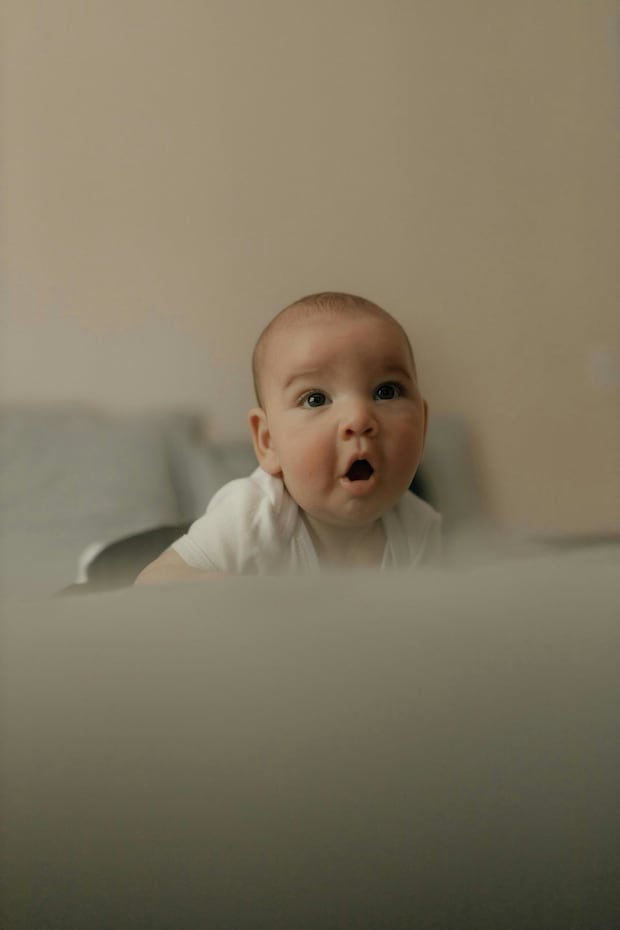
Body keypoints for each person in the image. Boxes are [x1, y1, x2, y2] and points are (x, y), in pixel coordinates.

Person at [135, 292, 441, 584]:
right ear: (268, 441)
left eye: (386, 391)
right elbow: (151, 582)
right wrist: (236, 593)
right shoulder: (252, 518)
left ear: (423, 424)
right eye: (315, 399)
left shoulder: (420, 528)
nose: (359, 419)